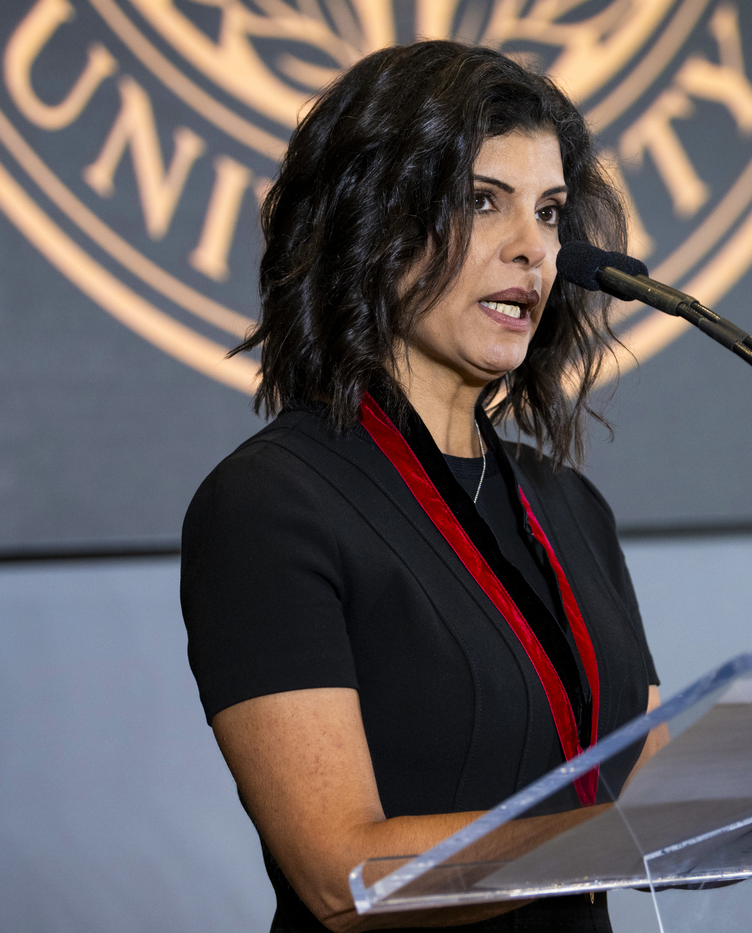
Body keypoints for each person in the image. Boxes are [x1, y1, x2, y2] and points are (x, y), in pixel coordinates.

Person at [180, 40, 666, 933]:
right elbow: (341, 870)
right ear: (373, 223)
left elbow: (662, 784)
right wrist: (615, 836)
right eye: (484, 202)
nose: (534, 250)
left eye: (551, 213)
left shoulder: (570, 508)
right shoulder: (271, 506)